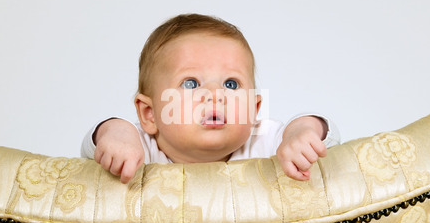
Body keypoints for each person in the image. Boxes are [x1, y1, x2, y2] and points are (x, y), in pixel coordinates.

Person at [81, 13, 340, 184]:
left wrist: (301, 134)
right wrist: (118, 134)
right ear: (150, 115)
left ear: (253, 109)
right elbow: (94, 149)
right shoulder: (142, 149)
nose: (216, 94)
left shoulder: (262, 142)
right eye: (191, 83)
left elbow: (326, 135)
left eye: (231, 83)